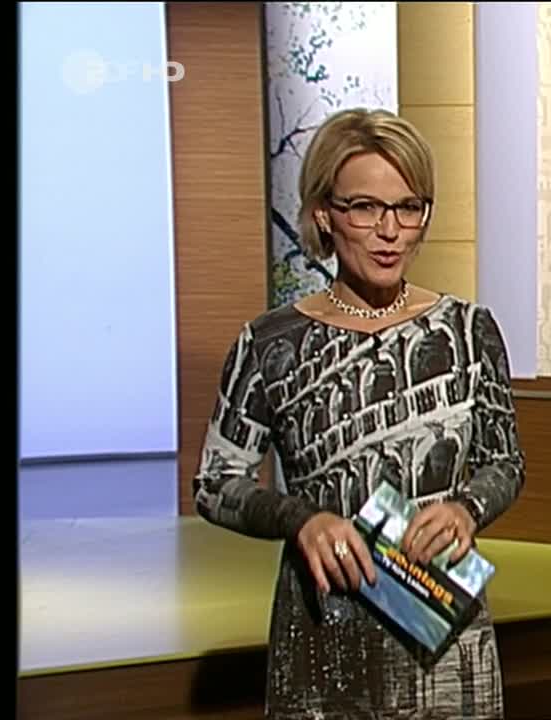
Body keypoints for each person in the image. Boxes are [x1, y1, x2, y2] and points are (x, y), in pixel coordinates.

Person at [192, 107, 525, 719]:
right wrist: (299, 519)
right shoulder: (268, 344)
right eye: (365, 208)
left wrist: (466, 508)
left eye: (407, 207)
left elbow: (505, 463)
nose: (389, 231)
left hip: (445, 633)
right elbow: (215, 484)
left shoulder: (469, 330)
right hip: (326, 633)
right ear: (324, 213)